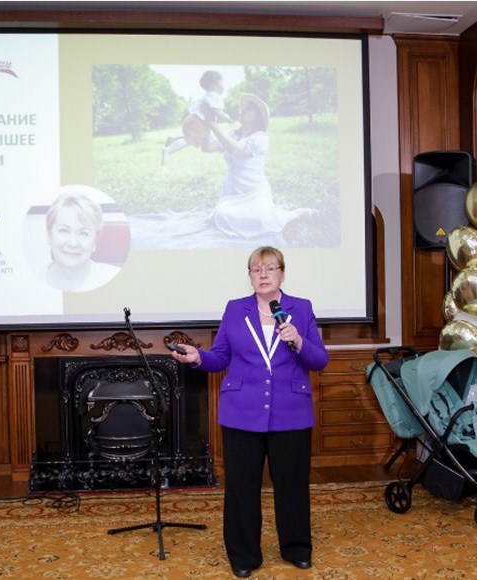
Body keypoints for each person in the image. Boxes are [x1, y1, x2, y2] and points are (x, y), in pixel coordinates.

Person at [169, 246, 328, 578]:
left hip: (291, 412)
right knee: (241, 488)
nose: (263, 275)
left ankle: (296, 548)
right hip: (241, 412)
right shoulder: (235, 309)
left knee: (292, 486)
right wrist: (197, 357)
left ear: (282, 274)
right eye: (256, 269)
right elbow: (220, 357)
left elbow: (319, 360)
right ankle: (243, 555)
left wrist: (298, 340)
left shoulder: (300, 308)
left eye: (270, 268)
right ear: (250, 276)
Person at [201, 93, 316, 241]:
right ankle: (276, 211)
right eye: (242, 107)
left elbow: (237, 149)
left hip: (254, 191)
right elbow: (207, 147)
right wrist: (207, 124)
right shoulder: (232, 134)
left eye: (249, 109)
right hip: (233, 192)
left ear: (257, 116)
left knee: (262, 220)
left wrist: (213, 124)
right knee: (220, 214)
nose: (242, 110)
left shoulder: (260, 137)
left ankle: (294, 214)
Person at [45, 189, 120, 292]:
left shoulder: (114, 278)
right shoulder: (30, 281)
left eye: (83, 233)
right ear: (49, 236)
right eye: (64, 231)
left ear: (95, 241)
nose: (73, 243)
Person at [161, 69, 232, 166]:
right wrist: (226, 117)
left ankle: (174, 139)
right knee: (189, 140)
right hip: (198, 122)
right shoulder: (213, 95)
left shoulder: (209, 95)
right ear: (215, 84)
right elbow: (216, 111)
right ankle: (168, 150)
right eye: (222, 82)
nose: (224, 85)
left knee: (198, 138)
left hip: (196, 121)